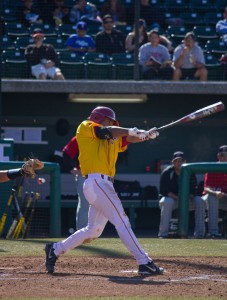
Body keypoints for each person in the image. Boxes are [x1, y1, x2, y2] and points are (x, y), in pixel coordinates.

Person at [45, 106, 164, 276]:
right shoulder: (86, 126)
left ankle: (55, 249)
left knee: (93, 230)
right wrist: (132, 130)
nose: (111, 124)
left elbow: (127, 139)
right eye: (109, 121)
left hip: (103, 185)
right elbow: (106, 132)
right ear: (100, 118)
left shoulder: (112, 139)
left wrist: (145, 135)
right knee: (122, 221)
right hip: (96, 182)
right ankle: (144, 261)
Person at [158, 151, 205, 239]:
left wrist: (190, 196)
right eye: (176, 161)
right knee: (167, 201)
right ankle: (163, 233)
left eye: (181, 161)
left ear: (185, 162)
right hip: (172, 200)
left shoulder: (190, 172)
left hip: (187, 200)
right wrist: (179, 198)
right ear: (173, 162)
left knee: (199, 201)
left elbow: (194, 189)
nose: (179, 163)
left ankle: (200, 233)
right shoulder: (167, 172)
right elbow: (164, 191)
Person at [62, 136, 89, 230]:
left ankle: (92, 232)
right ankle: (82, 233)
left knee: (98, 205)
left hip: (100, 175)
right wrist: (72, 169)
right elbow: (65, 154)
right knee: (85, 204)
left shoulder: (104, 136)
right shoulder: (80, 136)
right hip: (84, 175)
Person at [202, 145, 227, 238]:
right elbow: (206, 188)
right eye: (223, 155)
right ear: (218, 156)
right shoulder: (212, 167)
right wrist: (215, 193)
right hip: (211, 197)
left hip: (225, 198)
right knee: (213, 198)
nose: (225, 157)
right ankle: (214, 232)